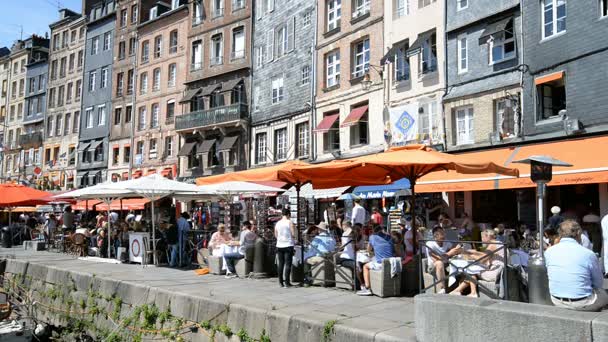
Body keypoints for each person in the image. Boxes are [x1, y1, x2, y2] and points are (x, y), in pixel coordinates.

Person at [546, 220, 608, 311]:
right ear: (579, 233)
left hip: (556, 300)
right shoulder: (588, 254)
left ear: (560, 234)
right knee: (603, 294)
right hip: (582, 302)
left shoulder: (549, 251)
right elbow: (598, 283)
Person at [450, 229, 505, 297]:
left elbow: (483, 259)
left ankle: (473, 293)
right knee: (471, 270)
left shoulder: (492, 245)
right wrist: (471, 252)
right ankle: (457, 291)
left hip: (496, 273)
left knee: (472, 270)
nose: (481, 239)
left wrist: (470, 256)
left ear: (488, 236)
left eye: (482, 237)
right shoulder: (499, 243)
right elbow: (484, 255)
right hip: (502, 272)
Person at [357, 225, 394, 296]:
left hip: (380, 264)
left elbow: (368, 250)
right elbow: (392, 249)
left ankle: (367, 288)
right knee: (373, 260)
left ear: (373, 230)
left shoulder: (372, 237)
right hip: (390, 262)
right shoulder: (389, 237)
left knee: (365, 266)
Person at [424, 227, 463, 294]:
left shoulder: (446, 242)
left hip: (446, 265)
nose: (444, 235)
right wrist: (449, 253)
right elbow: (436, 259)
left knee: (461, 263)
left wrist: (457, 248)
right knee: (439, 263)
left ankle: (459, 289)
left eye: (444, 233)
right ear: (435, 235)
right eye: (441, 233)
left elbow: (455, 251)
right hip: (433, 266)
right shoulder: (430, 244)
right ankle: (442, 289)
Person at [336, 222, 363, 290]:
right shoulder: (350, 237)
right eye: (360, 231)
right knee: (356, 266)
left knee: (361, 265)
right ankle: (360, 285)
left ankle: (360, 285)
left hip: (351, 257)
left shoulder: (350, 236)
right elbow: (355, 249)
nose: (361, 233)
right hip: (345, 258)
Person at [275, 208, 296, 288]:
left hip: (279, 245)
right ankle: (287, 282)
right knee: (288, 264)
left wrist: (280, 239)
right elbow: (293, 234)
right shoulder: (289, 222)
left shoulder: (278, 223)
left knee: (281, 264)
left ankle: (280, 282)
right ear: (288, 215)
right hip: (288, 244)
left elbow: (276, 234)